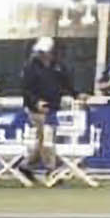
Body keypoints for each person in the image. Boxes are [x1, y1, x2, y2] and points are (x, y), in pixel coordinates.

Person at [20, 36, 68, 182]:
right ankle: (51, 170)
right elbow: (26, 90)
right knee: (47, 139)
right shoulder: (30, 68)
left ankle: (26, 165)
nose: (43, 55)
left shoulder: (57, 66)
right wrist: (36, 103)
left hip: (53, 108)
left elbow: (66, 82)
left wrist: (76, 94)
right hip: (37, 110)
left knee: (43, 140)